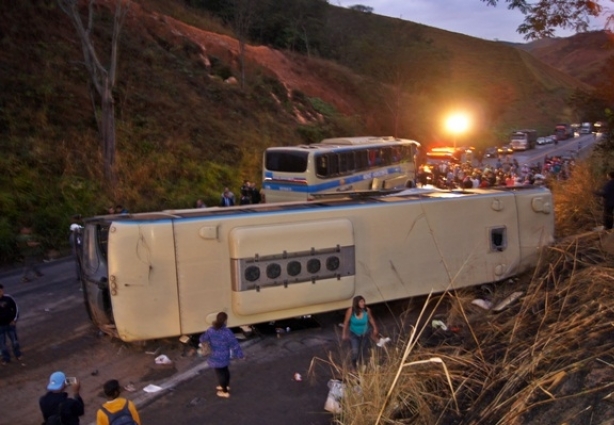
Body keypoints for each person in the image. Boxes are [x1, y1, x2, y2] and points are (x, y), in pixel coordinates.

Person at [199, 312, 244, 398]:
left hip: (214, 355)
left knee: (220, 374)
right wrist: (240, 355)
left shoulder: (211, 330)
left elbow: (202, 338)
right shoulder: (227, 332)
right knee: (225, 371)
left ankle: (224, 391)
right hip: (225, 355)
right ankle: (226, 385)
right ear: (225, 321)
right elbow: (234, 344)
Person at [342, 295, 379, 369]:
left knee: (363, 352)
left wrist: (375, 328)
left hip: (365, 333)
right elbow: (346, 322)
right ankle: (354, 366)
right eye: (361, 302)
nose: (363, 303)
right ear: (356, 303)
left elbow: (371, 319)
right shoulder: (351, 311)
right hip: (354, 333)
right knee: (355, 351)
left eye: (363, 301)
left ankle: (362, 367)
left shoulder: (367, 310)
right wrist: (344, 334)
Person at [0, 284, 22, 365]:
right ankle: (6, 358)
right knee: (2, 344)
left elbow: (16, 308)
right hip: (0, 326)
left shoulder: (8, 298)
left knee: (14, 341)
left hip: (10, 324)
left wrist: (14, 320)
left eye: (0, 290)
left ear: (2, 290)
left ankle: (18, 354)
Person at [69, 215, 83, 281]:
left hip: (75, 250)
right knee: (79, 263)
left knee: (78, 263)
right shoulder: (75, 236)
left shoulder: (73, 236)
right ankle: (80, 276)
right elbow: (79, 243)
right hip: (77, 250)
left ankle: (80, 276)